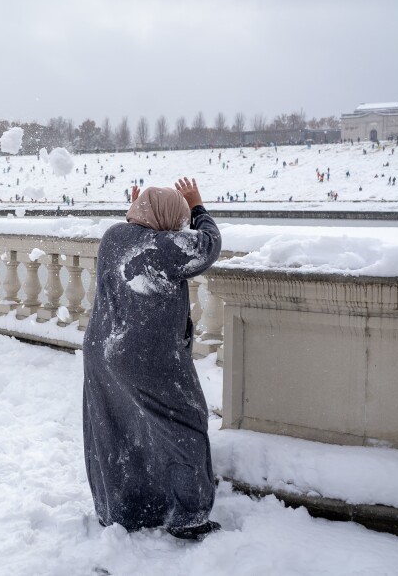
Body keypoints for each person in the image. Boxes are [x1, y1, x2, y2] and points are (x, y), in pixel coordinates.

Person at [82, 177, 222, 540]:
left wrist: (135, 212)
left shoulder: (114, 236)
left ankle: (125, 509)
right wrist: (197, 206)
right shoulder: (166, 247)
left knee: (119, 429)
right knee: (185, 423)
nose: (178, 226)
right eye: (175, 219)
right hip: (148, 356)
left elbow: (136, 239)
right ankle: (189, 516)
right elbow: (208, 245)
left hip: (103, 350)